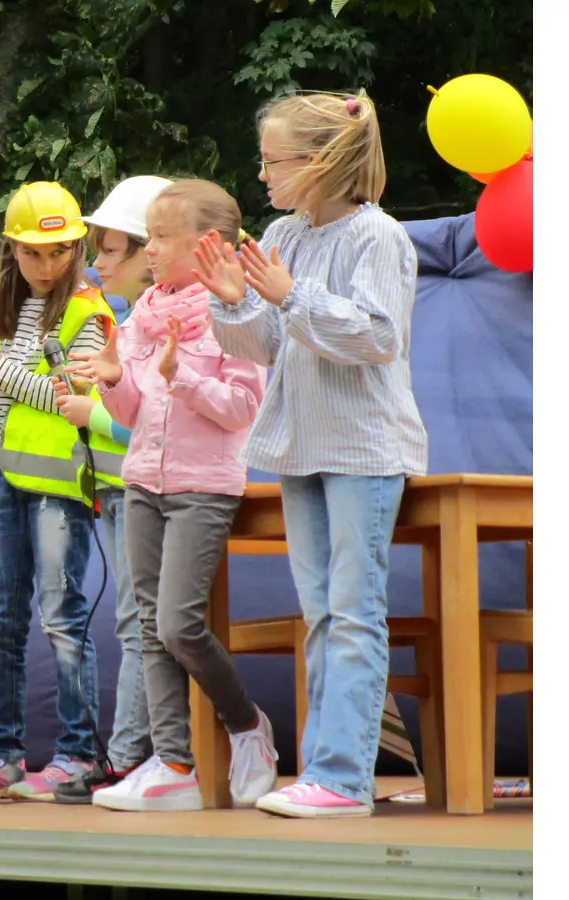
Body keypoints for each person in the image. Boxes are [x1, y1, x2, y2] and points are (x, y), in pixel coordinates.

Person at [193, 90, 426, 819]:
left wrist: (292, 297)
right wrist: (233, 300)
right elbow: (266, 345)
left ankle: (343, 777)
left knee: (353, 612)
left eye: (274, 162)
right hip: (300, 447)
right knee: (322, 613)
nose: (262, 175)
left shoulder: (378, 236)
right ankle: (327, 771)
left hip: (363, 448)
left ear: (320, 161)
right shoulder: (283, 235)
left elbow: (378, 338)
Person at [66, 179, 278, 811]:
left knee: (178, 623)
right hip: (143, 482)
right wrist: (112, 381)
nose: (150, 249)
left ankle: (246, 724)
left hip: (202, 486)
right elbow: (134, 411)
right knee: (150, 628)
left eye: (161, 237)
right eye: (149, 237)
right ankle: (174, 763)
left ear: (206, 243)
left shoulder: (231, 311)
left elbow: (242, 407)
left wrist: (180, 374)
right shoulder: (143, 315)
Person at [0, 182, 116, 801]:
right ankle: (4, 756)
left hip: (60, 487)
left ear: (77, 248)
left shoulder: (90, 314)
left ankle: (77, 756)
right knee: (0, 623)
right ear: (11, 250)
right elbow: (0, 410)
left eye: (59, 251)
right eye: (33, 253)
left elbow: (73, 401)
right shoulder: (3, 313)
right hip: (3, 479)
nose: (47, 265)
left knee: (63, 618)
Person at [52, 175, 174, 803]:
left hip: (146, 492)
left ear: (149, 250)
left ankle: (128, 757)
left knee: (141, 626)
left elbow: (160, 420)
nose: (97, 263)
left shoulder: (163, 324)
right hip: (120, 489)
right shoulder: (131, 322)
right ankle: (144, 754)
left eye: (108, 250)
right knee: (143, 625)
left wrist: (91, 413)